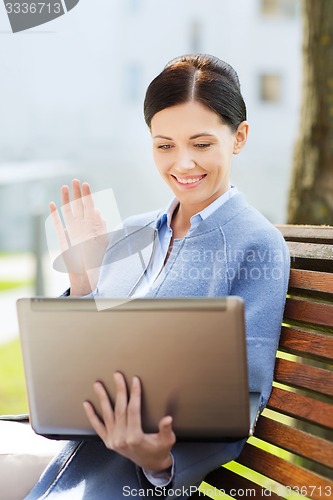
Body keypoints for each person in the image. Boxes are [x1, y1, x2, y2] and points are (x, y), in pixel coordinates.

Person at [27, 54, 290, 499]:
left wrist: (160, 460)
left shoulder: (257, 246)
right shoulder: (134, 231)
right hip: (74, 461)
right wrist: (84, 278)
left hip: (130, 484)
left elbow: (243, 398)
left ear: (239, 137)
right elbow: (86, 360)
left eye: (202, 144)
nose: (182, 164)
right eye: (164, 145)